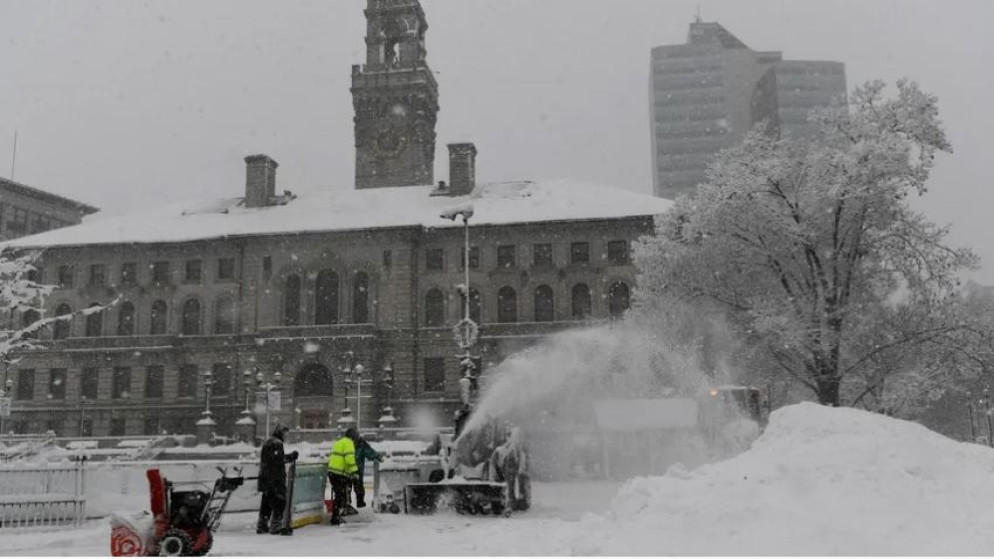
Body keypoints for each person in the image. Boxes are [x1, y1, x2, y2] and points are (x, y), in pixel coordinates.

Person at [256, 424, 298, 535]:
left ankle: (262, 525)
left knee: (266, 502)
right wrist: (291, 456)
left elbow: (273, 459)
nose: (286, 436)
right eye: (285, 434)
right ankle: (275, 526)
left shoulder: (268, 442)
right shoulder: (276, 444)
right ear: (280, 433)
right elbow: (278, 460)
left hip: (265, 478)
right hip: (275, 479)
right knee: (279, 501)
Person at [327, 427, 359, 525]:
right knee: (340, 495)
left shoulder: (339, 442)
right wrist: (355, 472)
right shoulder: (349, 443)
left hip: (332, 472)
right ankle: (336, 517)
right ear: (353, 437)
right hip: (339, 473)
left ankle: (337, 514)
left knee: (339, 494)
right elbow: (349, 460)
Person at [353, 436, 384, 508]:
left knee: (350, 488)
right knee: (358, 487)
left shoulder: (359, 444)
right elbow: (370, 453)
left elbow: (370, 453)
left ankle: (353, 503)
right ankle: (359, 503)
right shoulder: (361, 444)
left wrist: (378, 457)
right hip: (356, 470)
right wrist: (378, 457)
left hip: (351, 470)